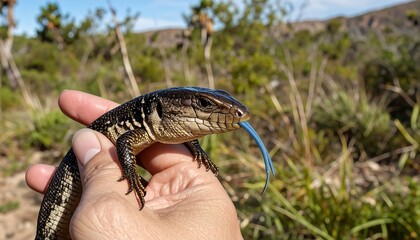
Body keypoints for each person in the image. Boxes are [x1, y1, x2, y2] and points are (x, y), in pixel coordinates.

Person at [26, 90, 243, 239]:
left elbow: (185, 133)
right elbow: (124, 141)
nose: (235, 114)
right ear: (159, 108)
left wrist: (197, 149)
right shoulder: (139, 130)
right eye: (204, 104)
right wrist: (129, 172)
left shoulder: (162, 126)